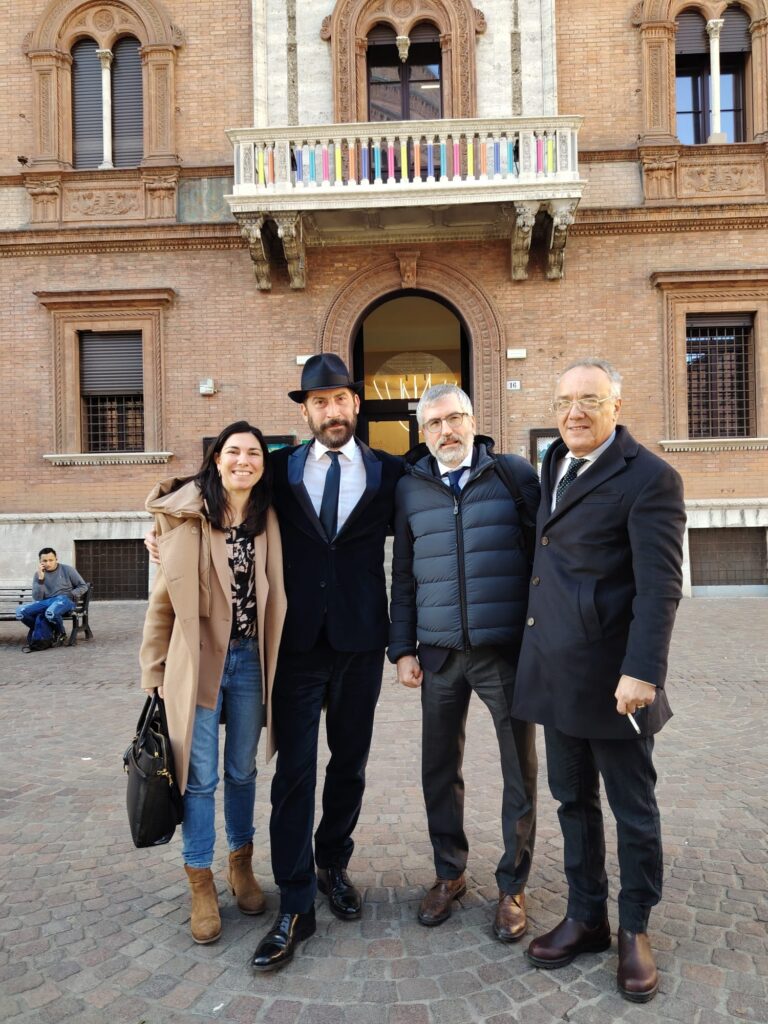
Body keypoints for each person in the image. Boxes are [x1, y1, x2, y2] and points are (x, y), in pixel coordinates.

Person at [513, 358, 686, 1003]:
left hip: (617, 683)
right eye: (564, 401)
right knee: (572, 801)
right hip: (558, 675)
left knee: (632, 808)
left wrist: (643, 670)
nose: (574, 412)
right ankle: (586, 916)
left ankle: (634, 926)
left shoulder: (650, 477)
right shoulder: (554, 464)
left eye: (589, 399)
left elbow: (660, 586)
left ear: (617, 404)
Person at [244, 354, 404, 972]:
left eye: (339, 399)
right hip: (297, 645)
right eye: (319, 402)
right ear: (305, 410)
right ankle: (295, 901)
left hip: (361, 642)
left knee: (349, 765)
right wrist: (162, 528)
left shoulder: (390, 471)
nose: (331, 411)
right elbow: (217, 497)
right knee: (294, 772)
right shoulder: (277, 470)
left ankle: (333, 862)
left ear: (355, 404)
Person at [388, 384, 540, 942]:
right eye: (434, 423)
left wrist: (541, 640)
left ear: (473, 420)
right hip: (439, 655)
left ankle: (512, 884)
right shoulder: (410, 488)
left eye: (454, 419)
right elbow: (403, 574)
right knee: (438, 768)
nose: (446, 431)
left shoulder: (512, 475)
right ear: (422, 432)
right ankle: (449, 873)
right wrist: (402, 649)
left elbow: (545, 558)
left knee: (518, 769)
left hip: (503, 652)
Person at [139, 421, 286, 945]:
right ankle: (199, 879)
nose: (244, 460)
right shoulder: (188, 519)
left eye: (254, 453)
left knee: (242, 770)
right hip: (199, 662)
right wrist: (153, 669)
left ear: (264, 464)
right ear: (217, 460)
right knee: (199, 777)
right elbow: (163, 599)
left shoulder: (271, 517)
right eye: (234, 452)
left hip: (250, 661)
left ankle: (240, 863)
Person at [16, 548, 88, 649]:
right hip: (47, 602)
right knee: (20, 612)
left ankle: (61, 633)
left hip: (65, 601)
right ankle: (45, 630)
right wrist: (41, 579)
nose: (48, 563)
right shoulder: (38, 574)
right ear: (40, 562)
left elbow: (83, 586)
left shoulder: (67, 570)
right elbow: (37, 597)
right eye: (45, 561)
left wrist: (71, 594)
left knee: (51, 612)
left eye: (51, 560)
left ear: (56, 559)